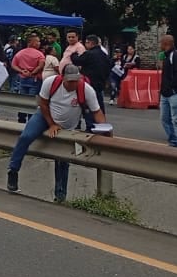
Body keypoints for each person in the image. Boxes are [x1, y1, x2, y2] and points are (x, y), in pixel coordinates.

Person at [7, 64, 105, 202]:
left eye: (75, 80)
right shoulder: (51, 83)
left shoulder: (86, 90)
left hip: (68, 126)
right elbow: (43, 104)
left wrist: (104, 129)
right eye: (70, 81)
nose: (73, 84)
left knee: (62, 160)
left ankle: (60, 196)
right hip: (45, 117)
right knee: (26, 136)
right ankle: (13, 170)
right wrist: (52, 124)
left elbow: (97, 112)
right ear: (62, 78)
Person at [159, 34, 177, 149]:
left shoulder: (175, 56)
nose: (160, 45)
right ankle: (173, 139)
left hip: (175, 92)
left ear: (166, 44)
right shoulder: (166, 56)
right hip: (166, 93)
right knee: (164, 118)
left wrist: (171, 86)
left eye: (161, 43)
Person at [11, 34, 46, 123]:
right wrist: (33, 72)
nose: (39, 43)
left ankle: (21, 119)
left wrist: (21, 71)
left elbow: (13, 65)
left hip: (23, 79)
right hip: (34, 79)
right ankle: (31, 120)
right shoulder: (39, 54)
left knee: (23, 100)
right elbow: (41, 65)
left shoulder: (20, 53)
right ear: (31, 42)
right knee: (33, 101)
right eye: (37, 41)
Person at [71, 35, 112, 111]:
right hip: (100, 82)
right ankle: (101, 119)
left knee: (90, 104)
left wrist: (74, 54)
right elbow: (109, 67)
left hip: (89, 82)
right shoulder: (104, 55)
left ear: (90, 43)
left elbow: (77, 60)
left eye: (86, 43)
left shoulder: (89, 54)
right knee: (99, 103)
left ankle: (91, 119)